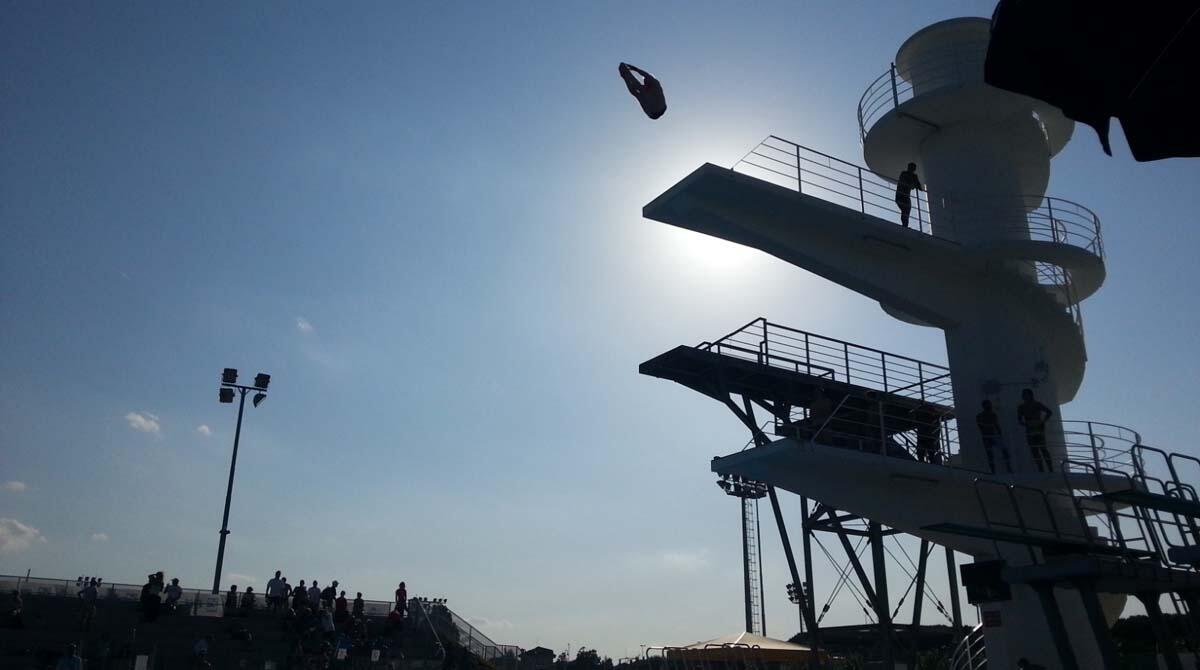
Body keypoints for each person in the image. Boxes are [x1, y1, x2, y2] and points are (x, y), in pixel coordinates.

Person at [1017, 388, 1054, 472]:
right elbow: (1019, 419)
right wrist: (1025, 424)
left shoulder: (1037, 404)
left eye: (1026, 394)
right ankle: (1041, 469)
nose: (1024, 396)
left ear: (1030, 395)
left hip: (1038, 429)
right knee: (1034, 450)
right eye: (1024, 395)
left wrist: (1043, 421)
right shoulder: (1021, 407)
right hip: (1030, 430)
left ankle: (1050, 468)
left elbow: (1049, 412)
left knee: (1043, 448)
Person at [976, 400, 1011, 473]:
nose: (989, 407)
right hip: (987, 436)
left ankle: (1008, 467)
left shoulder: (993, 415)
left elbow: (996, 425)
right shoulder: (980, 416)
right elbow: (981, 426)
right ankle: (993, 471)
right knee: (990, 454)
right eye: (988, 405)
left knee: (1003, 451)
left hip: (994, 436)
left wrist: (999, 434)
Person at [895, 162, 924, 227]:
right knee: (905, 210)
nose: (911, 169)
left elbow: (919, 187)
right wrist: (913, 184)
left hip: (906, 196)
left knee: (906, 211)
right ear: (908, 167)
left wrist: (915, 183)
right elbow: (905, 182)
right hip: (900, 195)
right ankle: (904, 225)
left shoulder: (914, 176)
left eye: (913, 168)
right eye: (910, 167)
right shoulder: (904, 173)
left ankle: (905, 225)